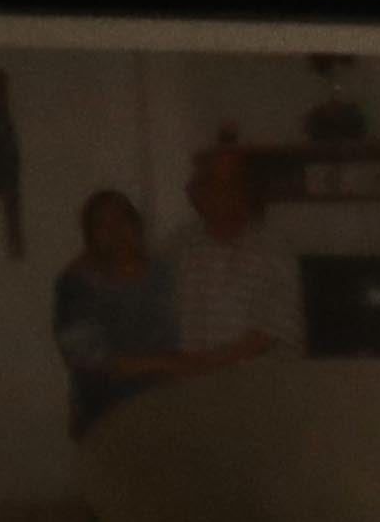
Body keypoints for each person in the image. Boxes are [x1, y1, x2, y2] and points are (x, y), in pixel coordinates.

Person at [163, 130, 305, 371]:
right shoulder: (176, 246)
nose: (222, 193)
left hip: (254, 387)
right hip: (189, 385)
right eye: (212, 183)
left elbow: (270, 332)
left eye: (231, 183)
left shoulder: (274, 248)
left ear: (245, 190)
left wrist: (199, 365)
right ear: (195, 192)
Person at [50, 186, 176, 433]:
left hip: (166, 415)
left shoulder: (164, 274)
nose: (116, 232)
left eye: (122, 220)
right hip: (104, 418)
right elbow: (86, 355)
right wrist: (168, 363)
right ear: (90, 235)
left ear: (136, 225)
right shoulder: (77, 285)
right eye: (103, 225)